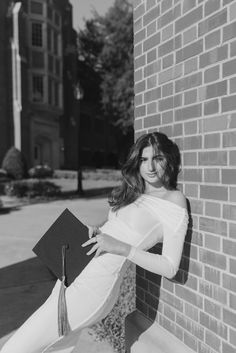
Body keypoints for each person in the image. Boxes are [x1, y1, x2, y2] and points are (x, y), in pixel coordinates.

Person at [1, 132, 188, 353]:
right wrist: (97, 232)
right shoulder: (134, 192)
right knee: (56, 349)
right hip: (73, 274)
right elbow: (117, 231)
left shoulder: (173, 200)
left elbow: (170, 266)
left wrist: (122, 248)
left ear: (168, 159)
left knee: (14, 348)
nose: (150, 167)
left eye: (158, 159)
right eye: (143, 159)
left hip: (95, 287)